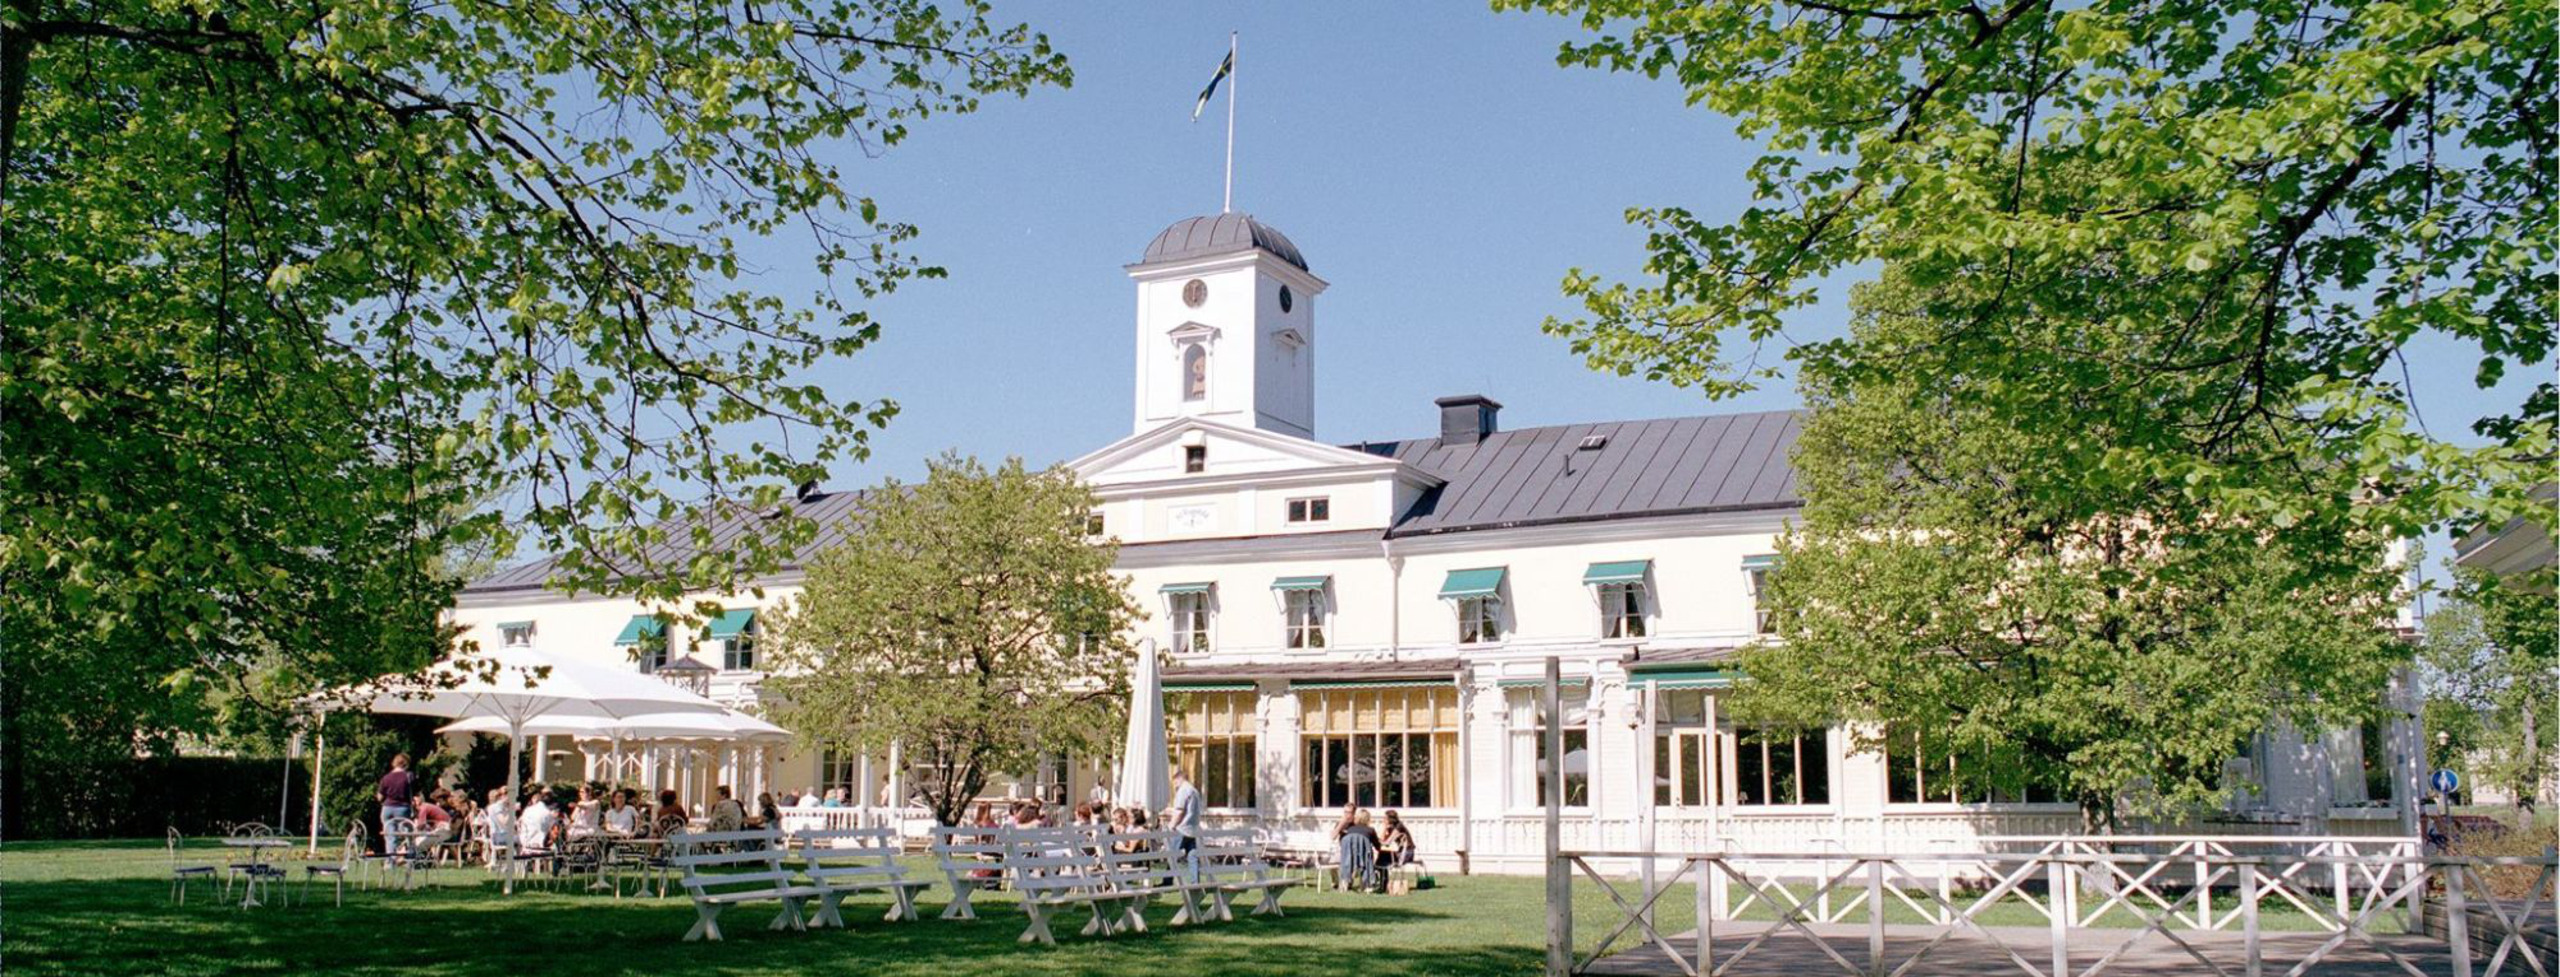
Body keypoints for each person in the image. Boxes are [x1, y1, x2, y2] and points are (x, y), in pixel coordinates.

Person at [376, 753, 418, 852]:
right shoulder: (409, 776)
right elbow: (416, 792)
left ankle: (391, 859)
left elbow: (379, 797)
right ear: (406, 764)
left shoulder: (386, 778)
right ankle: (410, 857)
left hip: (387, 809)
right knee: (408, 834)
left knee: (390, 836)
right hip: (403, 808)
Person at [1167, 768, 1204, 880]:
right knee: (1192, 857)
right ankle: (1195, 881)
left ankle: (1167, 880)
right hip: (1193, 829)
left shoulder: (1183, 790)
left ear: (1179, 779)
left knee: (1172, 855)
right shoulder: (1194, 791)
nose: (1175, 785)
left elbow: (1180, 811)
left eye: (1175, 782)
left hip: (1182, 829)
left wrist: (1172, 825)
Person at [1337, 810, 1383, 892]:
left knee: (1347, 862)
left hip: (1350, 854)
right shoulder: (1370, 830)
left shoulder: (1350, 829)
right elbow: (1377, 845)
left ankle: (1345, 882)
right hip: (1363, 856)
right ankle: (1367, 884)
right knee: (1368, 860)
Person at [517, 787, 557, 854]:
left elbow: (520, 825)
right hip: (540, 848)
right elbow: (551, 832)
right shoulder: (548, 814)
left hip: (526, 846)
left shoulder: (527, 810)